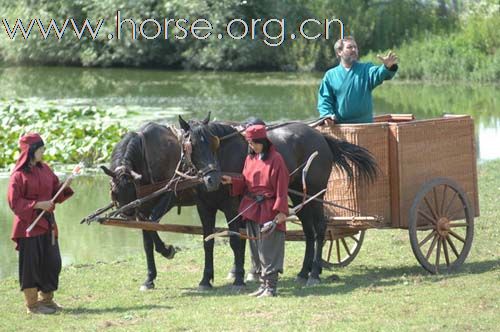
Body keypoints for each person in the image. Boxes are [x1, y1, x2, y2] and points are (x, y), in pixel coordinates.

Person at [7, 133, 74, 314]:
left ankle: (48, 301)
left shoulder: (45, 169)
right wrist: (37, 204)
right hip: (28, 227)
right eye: (41, 149)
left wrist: (64, 186)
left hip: (48, 225)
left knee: (52, 262)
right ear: (31, 151)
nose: (44, 152)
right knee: (31, 266)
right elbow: (15, 203)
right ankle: (33, 305)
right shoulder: (18, 176)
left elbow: (54, 193)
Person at [221, 124, 289, 297]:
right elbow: (246, 183)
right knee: (256, 248)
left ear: (263, 141)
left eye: (254, 143)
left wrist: (281, 211)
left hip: (269, 209)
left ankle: (271, 287)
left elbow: (282, 187)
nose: (251, 146)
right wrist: (232, 181)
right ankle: (262, 286)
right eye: (249, 143)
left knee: (269, 248)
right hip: (252, 208)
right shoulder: (250, 159)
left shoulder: (276, 159)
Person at [317, 36, 399, 124]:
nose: (354, 49)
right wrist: (327, 116)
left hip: (365, 126)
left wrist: (386, 67)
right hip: (340, 127)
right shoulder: (330, 75)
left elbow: (378, 74)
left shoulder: (366, 69)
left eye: (355, 47)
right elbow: (325, 100)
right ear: (339, 52)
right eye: (349, 47)